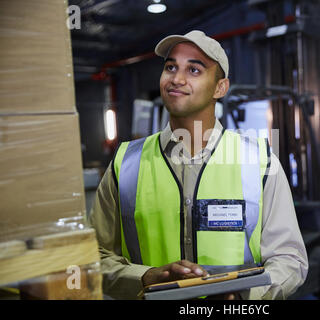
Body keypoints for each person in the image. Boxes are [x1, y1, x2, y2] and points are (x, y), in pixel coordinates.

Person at [88, 30, 308, 300]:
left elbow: (290, 257)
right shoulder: (126, 164)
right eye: (171, 67)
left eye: (194, 69)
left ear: (220, 88)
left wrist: (243, 295)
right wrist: (145, 278)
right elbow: (93, 258)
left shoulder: (259, 162)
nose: (176, 79)